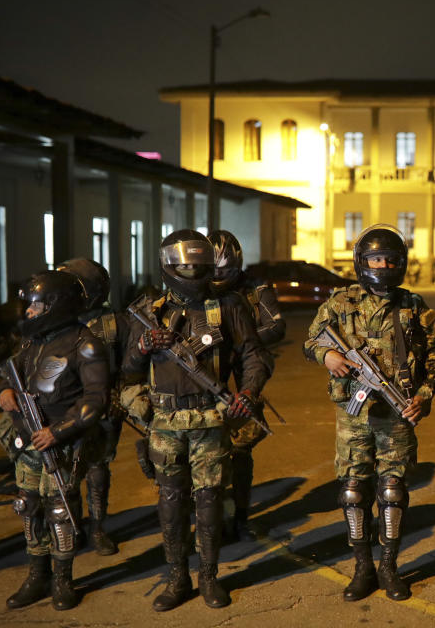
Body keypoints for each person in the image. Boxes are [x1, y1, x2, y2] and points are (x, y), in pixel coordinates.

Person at [122, 229, 271, 611]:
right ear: (170, 266)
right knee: (171, 502)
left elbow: (254, 355)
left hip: (210, 416)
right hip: (166, 419)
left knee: (209, 500)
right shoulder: (149, 310)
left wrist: (248, 392)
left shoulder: (228, 305)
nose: (192, 272)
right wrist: (143, 346)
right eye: (185, 265)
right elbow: (126, 370)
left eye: (199, 266)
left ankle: (208, 576)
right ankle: (176, 578)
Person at [304, 224, 435, 602]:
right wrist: (329, 356)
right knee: (353, 492)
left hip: (396, 416)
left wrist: (424, 396)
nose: (381, 266)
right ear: (360, 262)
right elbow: (312, 340)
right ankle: (362, 566)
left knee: (393, 491)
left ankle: (389, 566)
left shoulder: (413, 306)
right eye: (374, 259)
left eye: (388, 260)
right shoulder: (339, 303)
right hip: (353, 416)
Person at [0, 270, 109, 611]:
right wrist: (4, 392)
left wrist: (57, 431)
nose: (29, 312)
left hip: (60, 445)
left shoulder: (85, 343)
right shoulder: (33, 341)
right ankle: (37, 575)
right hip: (28, 441)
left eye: (36, 305)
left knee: (60, 511)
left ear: (56, 306)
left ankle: (62, 578)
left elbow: (96, 399)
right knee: (29, 508)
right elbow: (9, 371)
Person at [208, 230, 284, 541]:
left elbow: (276, 326)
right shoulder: (196, 290)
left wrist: (242, 339)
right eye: (213, 272)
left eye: (224, 272)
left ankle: (238, 515)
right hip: (206, 373)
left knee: (240, 449)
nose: (218, 278)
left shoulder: (255, 290)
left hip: (243, 372)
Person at [55, 258, 130, 556]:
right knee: (65, 473)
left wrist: (120, 397)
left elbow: (130, 365)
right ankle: (73, 527)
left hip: (103, 408)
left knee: (98, 468)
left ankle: (98, 527)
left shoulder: (113, 324)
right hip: (65, 408)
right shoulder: (57, 324)